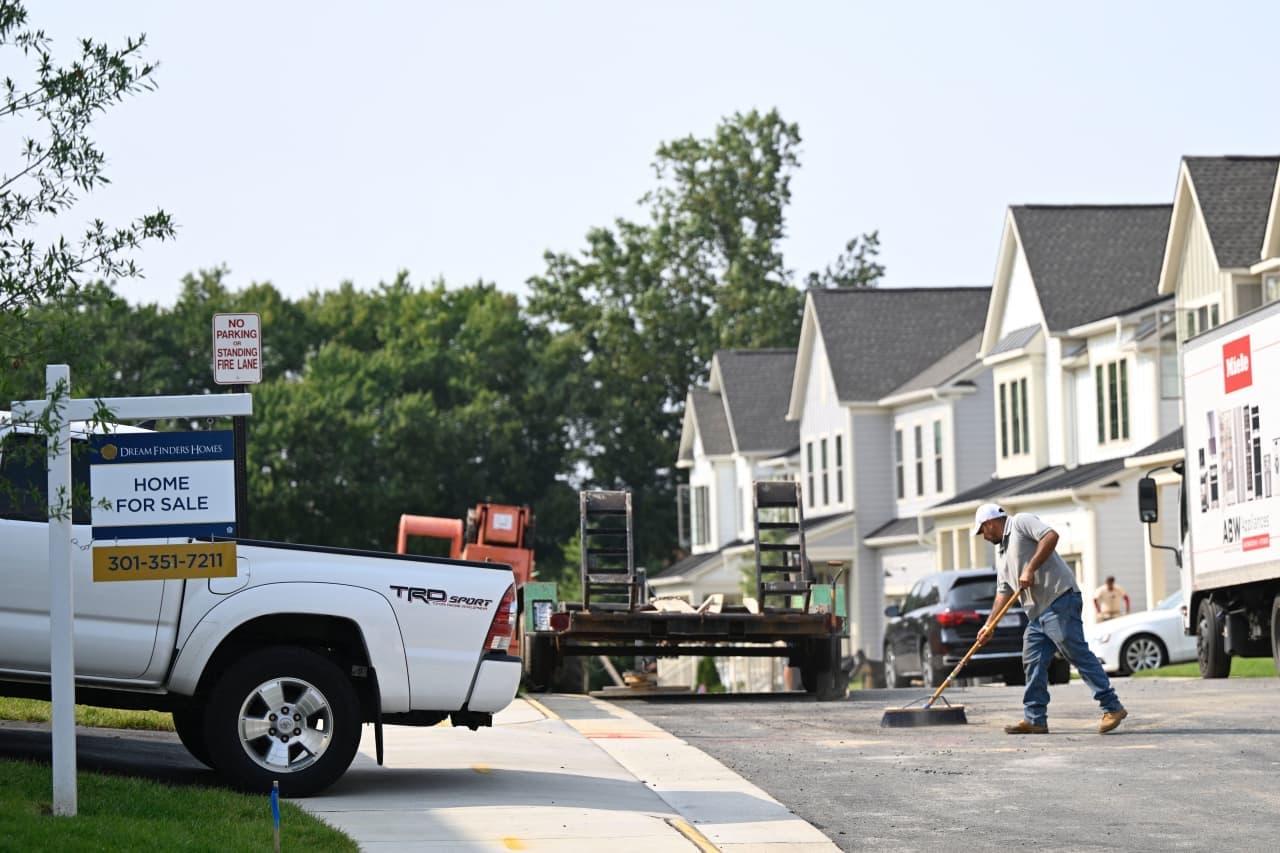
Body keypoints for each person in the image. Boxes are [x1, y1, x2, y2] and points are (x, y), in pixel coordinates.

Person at [971, 503, 1127, 735]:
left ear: (989, 523)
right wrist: (989, 624)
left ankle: (1112, 707)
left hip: (1059, 600)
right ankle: (1035, 718)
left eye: (982, 531)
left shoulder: (1021, 522)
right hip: (1036, 614)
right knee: (1032, 660)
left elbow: (1051, 536)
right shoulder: (1002, 553)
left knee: (1076, 653)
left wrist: (1030, 568)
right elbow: (1003, 592)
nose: (983, 536)